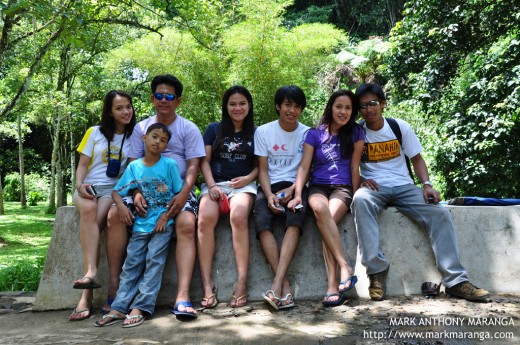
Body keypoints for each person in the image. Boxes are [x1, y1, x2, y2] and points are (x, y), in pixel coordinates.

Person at [352, 83, 489, 302]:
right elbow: (347, 166)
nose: (368, 109)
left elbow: (416, 159)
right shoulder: (357, 133)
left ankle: (455, 281)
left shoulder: (399, 127)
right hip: (374, 188)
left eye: (372, 104)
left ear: (383, 104)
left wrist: (426, 185)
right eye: (362, 106)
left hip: (404, 186)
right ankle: (376, 271)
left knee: (440, 213)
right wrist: (361, 180)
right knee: (360, 200)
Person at [105, 74, 205, 319]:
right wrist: (136, 192)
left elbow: (194, 166)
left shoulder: (188, 128)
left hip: (180, 189)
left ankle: (182, 296)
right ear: (152, 98)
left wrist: (183, 195)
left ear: (178, 101)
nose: (163, 100)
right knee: (114, 215)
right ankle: (116, 290)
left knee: (186, 222)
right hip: (143, 188)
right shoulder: (141, 128)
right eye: (159, 95)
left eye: (169, 96)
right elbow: (132, 165)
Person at [95, 123, 184, 327]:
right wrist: (122, 208)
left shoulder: (169, 165)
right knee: (131, 264)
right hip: (140, 225)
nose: (157, 142)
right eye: (154, 137)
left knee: (154, 261)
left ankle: (141, 307)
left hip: (163, 224)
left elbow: (178, 194)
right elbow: (117, 192)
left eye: (163, 140)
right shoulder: (134, 167)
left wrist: (164, 218)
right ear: (144, 138)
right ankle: (119, 307)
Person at [288, 90, 364, 307]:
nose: (343, 112)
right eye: (339, 106)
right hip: (318, 186)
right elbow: (304, 166)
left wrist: (355, 196)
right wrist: (296, 194)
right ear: (331, 107)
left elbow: (354, 167)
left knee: (326, 220)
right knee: (322, 212)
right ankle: (345, 268)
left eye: (348, 108)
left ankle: (332, 286)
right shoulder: (314, 134)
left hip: (343, 188)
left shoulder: (356, 133)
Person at [69, 90, 136, 321]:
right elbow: (82, 165)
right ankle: (91, 274)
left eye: (128, 106)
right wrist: (79, 186)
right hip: (88, 187)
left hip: (113, 190)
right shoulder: (94, 132)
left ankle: (87, 293)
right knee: (88, 209)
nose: (126, 111)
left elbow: (133, 170)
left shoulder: (134, 135)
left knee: (98, 222)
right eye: (119, 108)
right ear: (109, 111)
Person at [197, 86, 258, 309]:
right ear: (226, 106)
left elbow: (260, 167)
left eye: (242, 103)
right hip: (216, 185)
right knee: (204, 218)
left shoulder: (256, 132)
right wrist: (211, 185)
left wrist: (247, 179)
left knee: (239, 215)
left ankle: (242, 281)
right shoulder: (214, 129)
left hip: (244, 185)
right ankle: (206, 284)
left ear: (249, 106)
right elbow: (204, 160)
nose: (237, 108)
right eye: (232, 103)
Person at [254, 85, 310, 310]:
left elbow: (307, 169)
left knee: (295, 219)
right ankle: (284, 286)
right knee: (262, 222)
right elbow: (263, 170)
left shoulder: (308, 133)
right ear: (278, 106)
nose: (292, 110)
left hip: (296, 184)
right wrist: (268, 195)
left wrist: (293, 191)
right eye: (288, 105)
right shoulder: (264, 131)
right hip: (269, 185)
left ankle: (276, 284)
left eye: (297, 106)